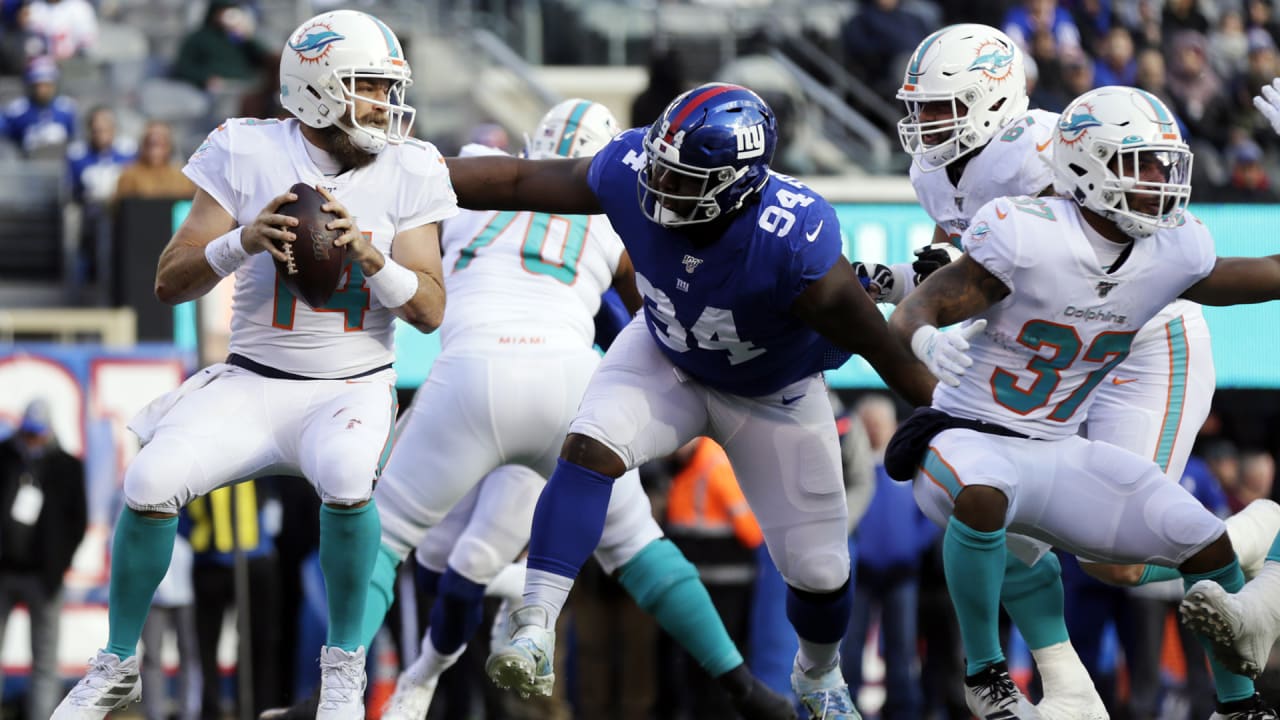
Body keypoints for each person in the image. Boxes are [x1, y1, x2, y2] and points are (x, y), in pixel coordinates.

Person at [443, 81, 937, 720]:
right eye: (660, 170)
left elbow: (881, 346)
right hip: (666, 355)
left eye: (682, 181)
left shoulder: (791, 235)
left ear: (737, 185)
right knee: (590, 444)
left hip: (774, 394)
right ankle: (535, 620)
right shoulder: (630, 172)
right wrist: (414, 173)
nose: (659, 190)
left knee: (820, 572)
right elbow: (514, 183)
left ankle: (818, 674)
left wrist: (946, 415)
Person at [51, 10, 456, 719]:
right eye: (366, 87)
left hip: (350, 385)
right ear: (317, 88)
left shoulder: (412, 164)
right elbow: (170, 280)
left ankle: (344, 668)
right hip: (251, 380)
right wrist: (242, 240)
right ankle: (116, 665)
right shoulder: (244, 149)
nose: (382, 106)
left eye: (386, 88)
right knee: (148, 480)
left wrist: (373, 259)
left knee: (346, 476)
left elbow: (428, 309)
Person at [363, 99, 792, 720]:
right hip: (567, 381)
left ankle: (345, 690)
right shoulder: (617, 211)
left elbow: (425, 188)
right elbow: (649, 322)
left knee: (385, 538)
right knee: (635, 544)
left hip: (468, 375)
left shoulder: (480, 167)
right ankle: (742, 686)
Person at [886, 84, 1280, 719]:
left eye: (1164, 165)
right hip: (968, 431)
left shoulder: (1173, 249)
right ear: (1085, 165)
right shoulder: (1024, 231)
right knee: (987, 496)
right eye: (1140, 165)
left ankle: (1241, 707)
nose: (1160, 181)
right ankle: (986, 673)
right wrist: (925, 339)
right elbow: (925, 299)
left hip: (1057, 444)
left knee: (1201, 539)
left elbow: (1274, 270)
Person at [888, 24, 1106, 719]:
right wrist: (900, 281)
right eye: (917, 108)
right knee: (986, 503)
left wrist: (937, 294)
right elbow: (960, 270)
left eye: (939, 107)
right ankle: (1031, 678)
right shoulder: (931, 171)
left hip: (1116, 341)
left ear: (993, 99)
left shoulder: (1041, 149)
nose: (922, 125)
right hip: (1036, 350)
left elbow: (1079, 262)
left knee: (1117, 556)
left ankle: (1247, 546)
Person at [840, 394, 936, 720]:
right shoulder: (852, 467)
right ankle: (847, 705)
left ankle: (903, 709)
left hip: (902, 572)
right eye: (869, 423)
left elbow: (932, 513)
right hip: (859, 573)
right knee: (850, 645)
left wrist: (912, 545)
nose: (875, 429)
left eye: (880, 423)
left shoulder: (908, 468)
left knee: (902, 646)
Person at [0, 398, 87, 720]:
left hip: (44, 576)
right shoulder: (6, 457)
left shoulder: (66, 465)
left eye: (38, 433)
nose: (32, 440)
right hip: (5, 570)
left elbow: (78, 520)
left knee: (45, 659)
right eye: (28, 433)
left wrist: (58, 562)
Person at [0, 56, 75, 156]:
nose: (42, 90)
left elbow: (74, 142)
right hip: (27, 166)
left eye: (46, 85)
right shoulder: (16, 111)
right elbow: (5, 142)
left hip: (60, 166)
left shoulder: (67, 108)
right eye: (38, 85)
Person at [113, 120, 197, 200]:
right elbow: (120, 208)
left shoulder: (182, 177)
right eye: (150, 143)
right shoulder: (129, 176)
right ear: (142, 145)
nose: (154, 150)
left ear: (169, 146)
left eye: (160, 143)